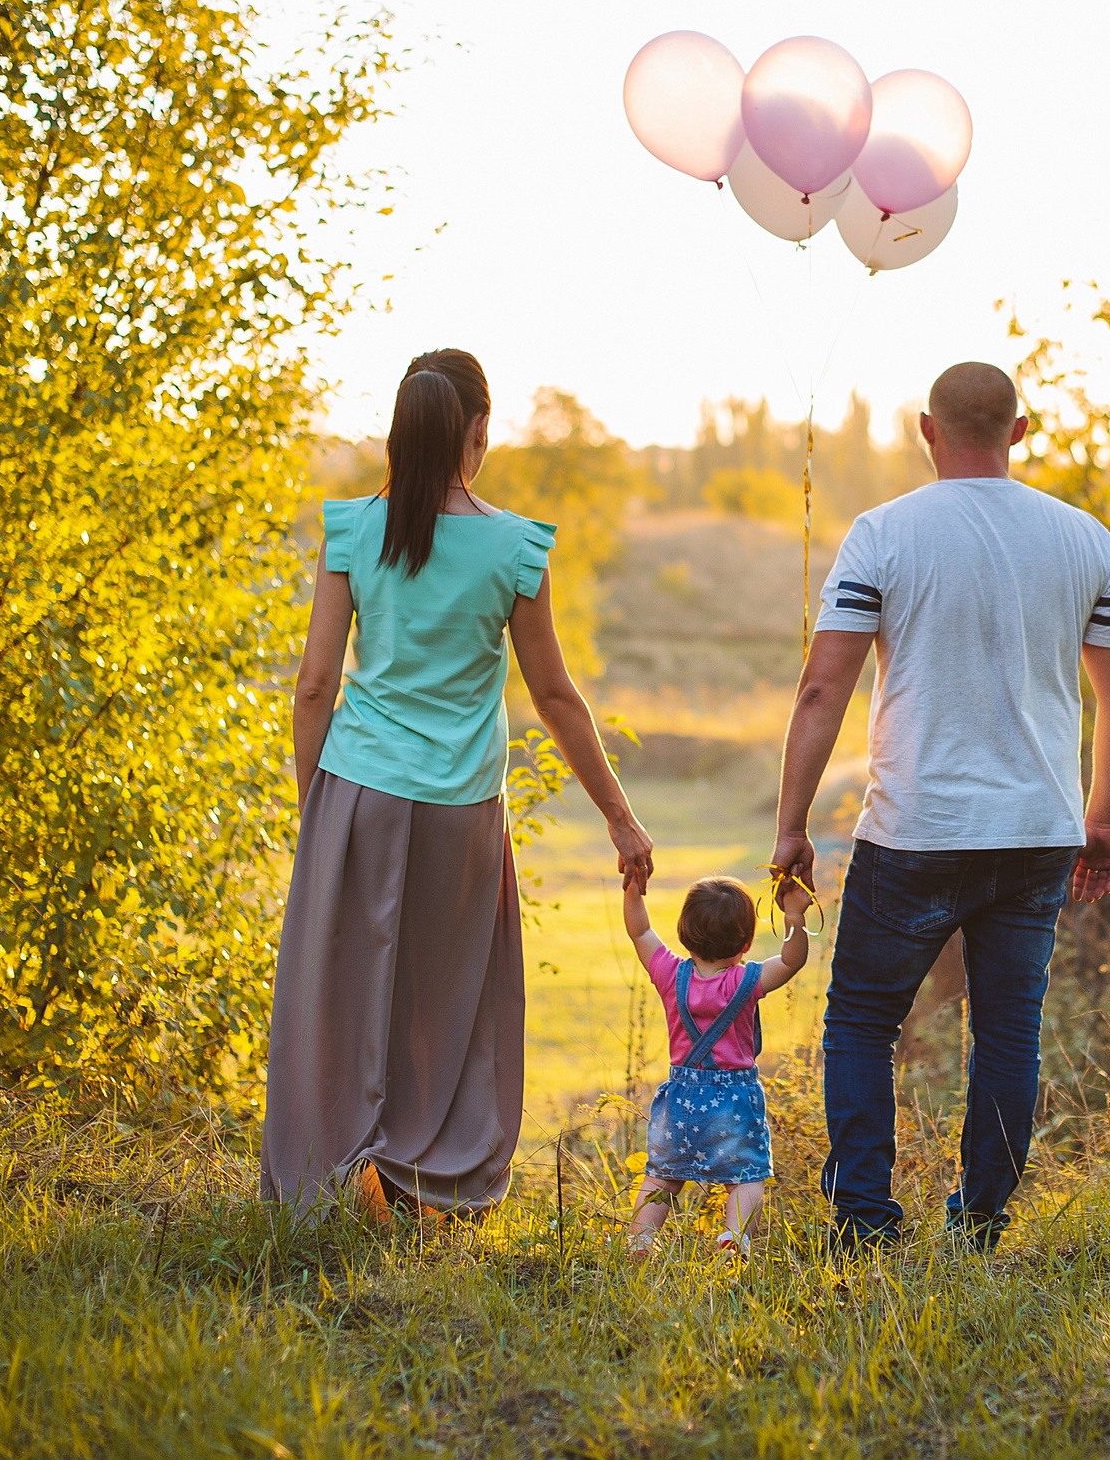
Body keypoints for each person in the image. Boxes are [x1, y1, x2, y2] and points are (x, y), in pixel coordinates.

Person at [263, 348, 652, 1220]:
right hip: (459, 808)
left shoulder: (353, 530)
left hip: (357, 788)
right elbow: (554, 694)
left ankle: (328, 1183)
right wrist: (621, 820)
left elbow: (315, 686)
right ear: (481, 429)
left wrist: (315, 806)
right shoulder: (516, 545)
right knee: (450, 1001)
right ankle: (422, 1185)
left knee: (344, 992)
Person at [771, 361, 1110, 1252]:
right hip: (1038, 833)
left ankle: (865, 1222)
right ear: (1020, 431)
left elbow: (823, 689)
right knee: (1008, 1030)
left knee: (862, 1020)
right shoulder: (1087, 539)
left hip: (914, 833)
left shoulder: (882, 534)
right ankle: (979, 1223)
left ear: (925, 430)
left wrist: (790, 825)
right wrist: (1102, 819)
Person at [622, 874, 813, 1258]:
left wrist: (633, 885)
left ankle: (642, 1239)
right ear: (745, 943)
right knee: (746, 1176)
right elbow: (792, 961)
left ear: (684, 933)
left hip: (681, 1100)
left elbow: (640, 932)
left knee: (662, 1174)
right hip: (734, 1102)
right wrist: (793, 915)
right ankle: (735, 1238)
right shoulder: (747, 981)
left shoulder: (669, 974)